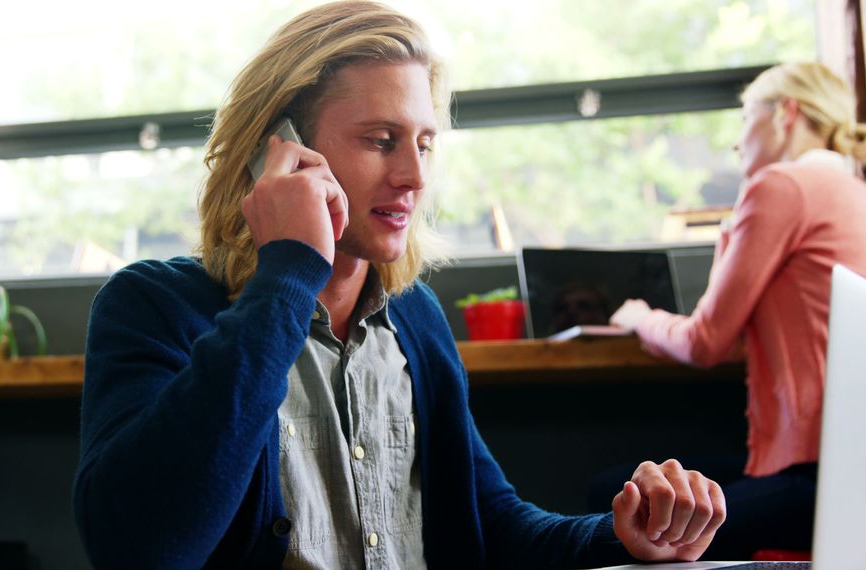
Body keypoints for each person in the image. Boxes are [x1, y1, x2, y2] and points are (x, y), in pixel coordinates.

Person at [74, 2, 725, 568]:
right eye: (382, 141)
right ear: (280, 151)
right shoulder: (153, 306)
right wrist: (289, 273)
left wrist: (621, 538)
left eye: (424, 143)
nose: (415, 175)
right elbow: (145, 548)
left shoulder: (414, 320)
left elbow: (492, 526)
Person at [610, 61, 866, 559]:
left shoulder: (784, 186)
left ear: (785, 113)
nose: (736, 141)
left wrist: (640, 318)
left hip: (813, 472)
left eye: (746, 117)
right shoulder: (852, 191)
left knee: (626, 504)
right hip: (846, 468)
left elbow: (705, 342)